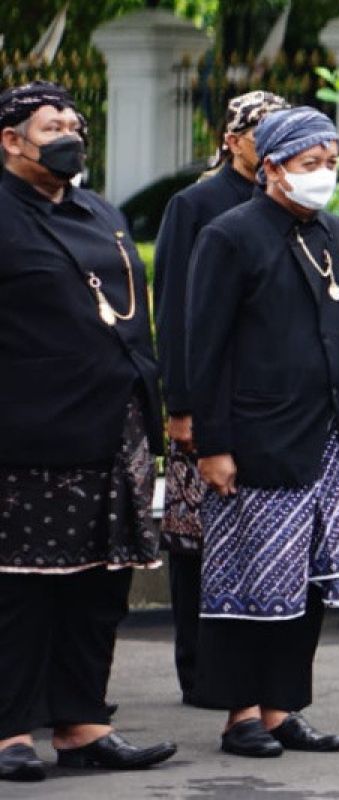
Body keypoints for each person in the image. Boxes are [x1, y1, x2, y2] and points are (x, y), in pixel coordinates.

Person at [0, 80, 177, 782]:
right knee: (22, 590)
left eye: (74, 123)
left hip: (115, 423)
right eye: (51, 126)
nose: (69, 134)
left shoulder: (98, 210)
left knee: (100, 585)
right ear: (10, 141)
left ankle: (82, 724)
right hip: (29, 430)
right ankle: (10, 730)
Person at [187, 106, 339, 758]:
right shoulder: (230, 236)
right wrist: (213, 444)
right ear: (271, 168)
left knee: (305, 585)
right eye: (309, 165)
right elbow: (204, 349)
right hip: (255, 439)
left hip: (322, 439)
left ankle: (282, 709)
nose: (323, 175)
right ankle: (240, 715)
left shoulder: (337, 236)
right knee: (248, 584)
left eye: (331, 164)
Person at [154, 89, 289, 703]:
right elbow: (180, 311)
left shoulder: (288, 204)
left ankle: (259, 678)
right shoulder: (198, 204)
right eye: (262, 131)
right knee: (197, 538)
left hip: (273, 402)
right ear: (233, 139)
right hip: (208, 400)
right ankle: (199, 667)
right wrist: (181, 405)